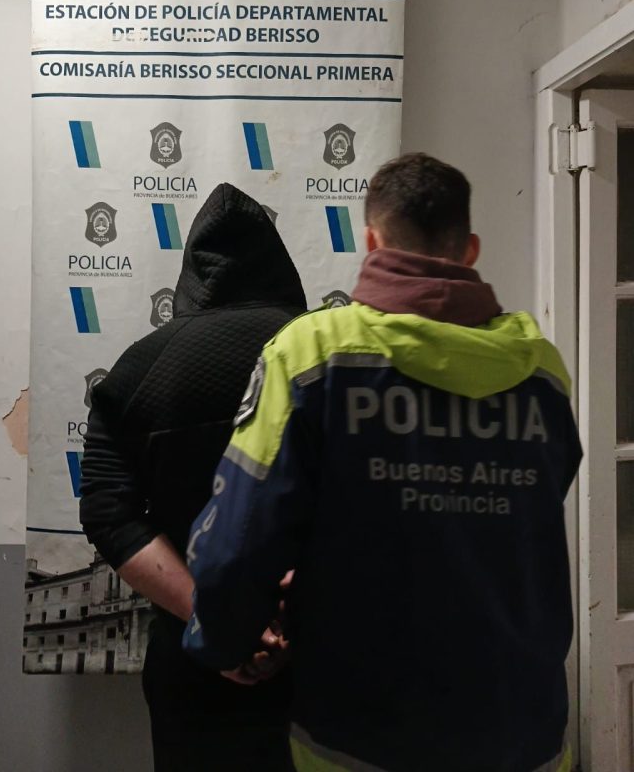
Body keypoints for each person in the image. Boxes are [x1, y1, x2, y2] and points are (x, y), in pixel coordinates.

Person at [184, 153, 582, 772]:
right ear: (470, 249)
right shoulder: (542, 372)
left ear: (371, 241)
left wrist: (223, 641)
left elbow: (237, 542)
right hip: (521, 725)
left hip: (362, 731)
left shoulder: (314, 354)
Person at [79, 182, 305, 772]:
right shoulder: (324, 355)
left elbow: (106, 512)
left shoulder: (137, 368)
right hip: (313, 658)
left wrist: (214, 619)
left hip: (192, 658)